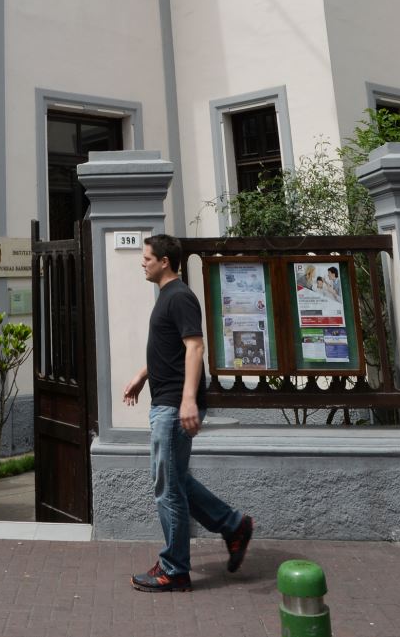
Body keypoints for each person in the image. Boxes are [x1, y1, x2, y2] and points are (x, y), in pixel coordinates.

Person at [120, 234, 253, 592]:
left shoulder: (179, 296)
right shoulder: (167, 296)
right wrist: (141, 375)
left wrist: (188, 400)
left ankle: (175, 569)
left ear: (165, 261)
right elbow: (170, 350)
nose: (142, 262)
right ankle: (234, 525)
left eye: (147, 257)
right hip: (166, 399)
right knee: (178, 481)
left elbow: (195, 348)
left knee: (167, 487)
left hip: (173, 404)